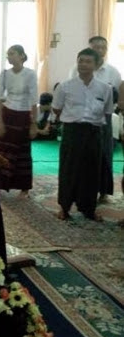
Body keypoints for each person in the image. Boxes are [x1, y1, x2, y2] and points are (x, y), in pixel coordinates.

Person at [52, 48, 113, 221]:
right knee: (68, 170)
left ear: (95, 65)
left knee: (92, 172)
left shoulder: (104, 88)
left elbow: (107, 111)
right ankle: (64, 207)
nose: (83, 64)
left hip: (94, 132)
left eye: (88, 61)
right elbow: (57, 108)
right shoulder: (65, 86)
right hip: (72, 131)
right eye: (81, 61)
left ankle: (88, 208)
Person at [68, 37, 121, 203]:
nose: (99, 50)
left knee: (104, 153)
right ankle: (79, 190)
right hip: (80, 117)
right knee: (81, 155)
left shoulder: (112, 71)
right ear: (89, 48)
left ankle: (104, 191)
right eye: (96, 47)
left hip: (103, 119)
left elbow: (118, 95)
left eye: (103, 47)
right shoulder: (76, 69)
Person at [0, 45, 39, 197]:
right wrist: (0, 122)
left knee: (22, 151)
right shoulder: (5, 74)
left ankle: (24, 188)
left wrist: (34, 124)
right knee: (0, 150)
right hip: (7, 113)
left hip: (24, 115)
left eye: (12, 54)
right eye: (8, 54)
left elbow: (33, 101)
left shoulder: (30, 74)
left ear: (22, 56)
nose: (9, 57)